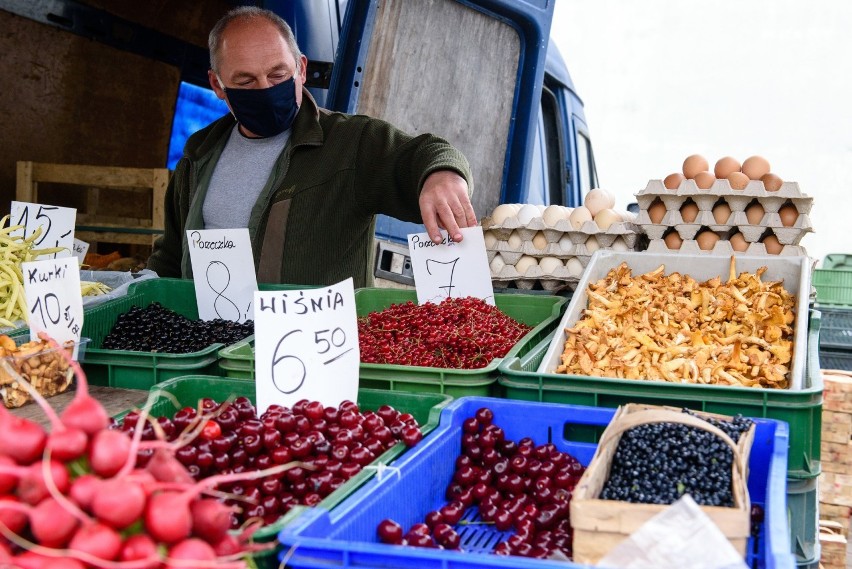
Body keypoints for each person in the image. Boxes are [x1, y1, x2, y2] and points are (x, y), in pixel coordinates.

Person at [147, 6, 476, 288]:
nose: (264, 89)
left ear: (301, 69)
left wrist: (442, 175)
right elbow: (173, 253)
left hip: (314, 351)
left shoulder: (350, 142)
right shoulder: (199, 152)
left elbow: (423, 153)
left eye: (278, 75)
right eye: (246, 82)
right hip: (210, 347)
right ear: (217, 85)